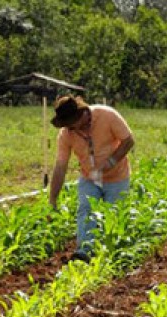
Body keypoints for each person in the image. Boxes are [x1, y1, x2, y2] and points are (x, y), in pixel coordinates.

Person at [48, 95, 135, 263]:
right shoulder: (67, 134)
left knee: (114, 214)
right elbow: (60, 167)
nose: (70, 129)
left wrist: (110, 163)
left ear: (82, 115)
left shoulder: (107, 115)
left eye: (72, 124)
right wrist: (53, 199)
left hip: (117, 177)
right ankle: (85, 252)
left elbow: (128, 141)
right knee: (85, 208)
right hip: (89, 178)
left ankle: (114, 254)